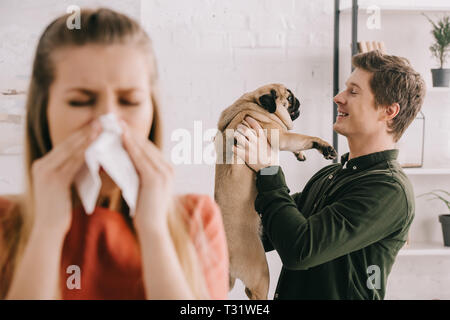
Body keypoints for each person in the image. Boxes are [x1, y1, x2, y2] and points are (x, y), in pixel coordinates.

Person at [0, 8, 228, 300]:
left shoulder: (195, 219)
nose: (107, 122)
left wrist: (155, 231)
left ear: (152, 110)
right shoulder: (6, 224)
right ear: (43, 112)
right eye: (80, 101)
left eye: (129, 101)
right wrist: (46, 230)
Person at [233, 50, 426, 299]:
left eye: (353, 92)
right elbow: (272, 235)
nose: (338, 98)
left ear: (389, 111)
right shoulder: (331, 174)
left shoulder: (388, 190)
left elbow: (300, 250)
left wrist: (268, 168)